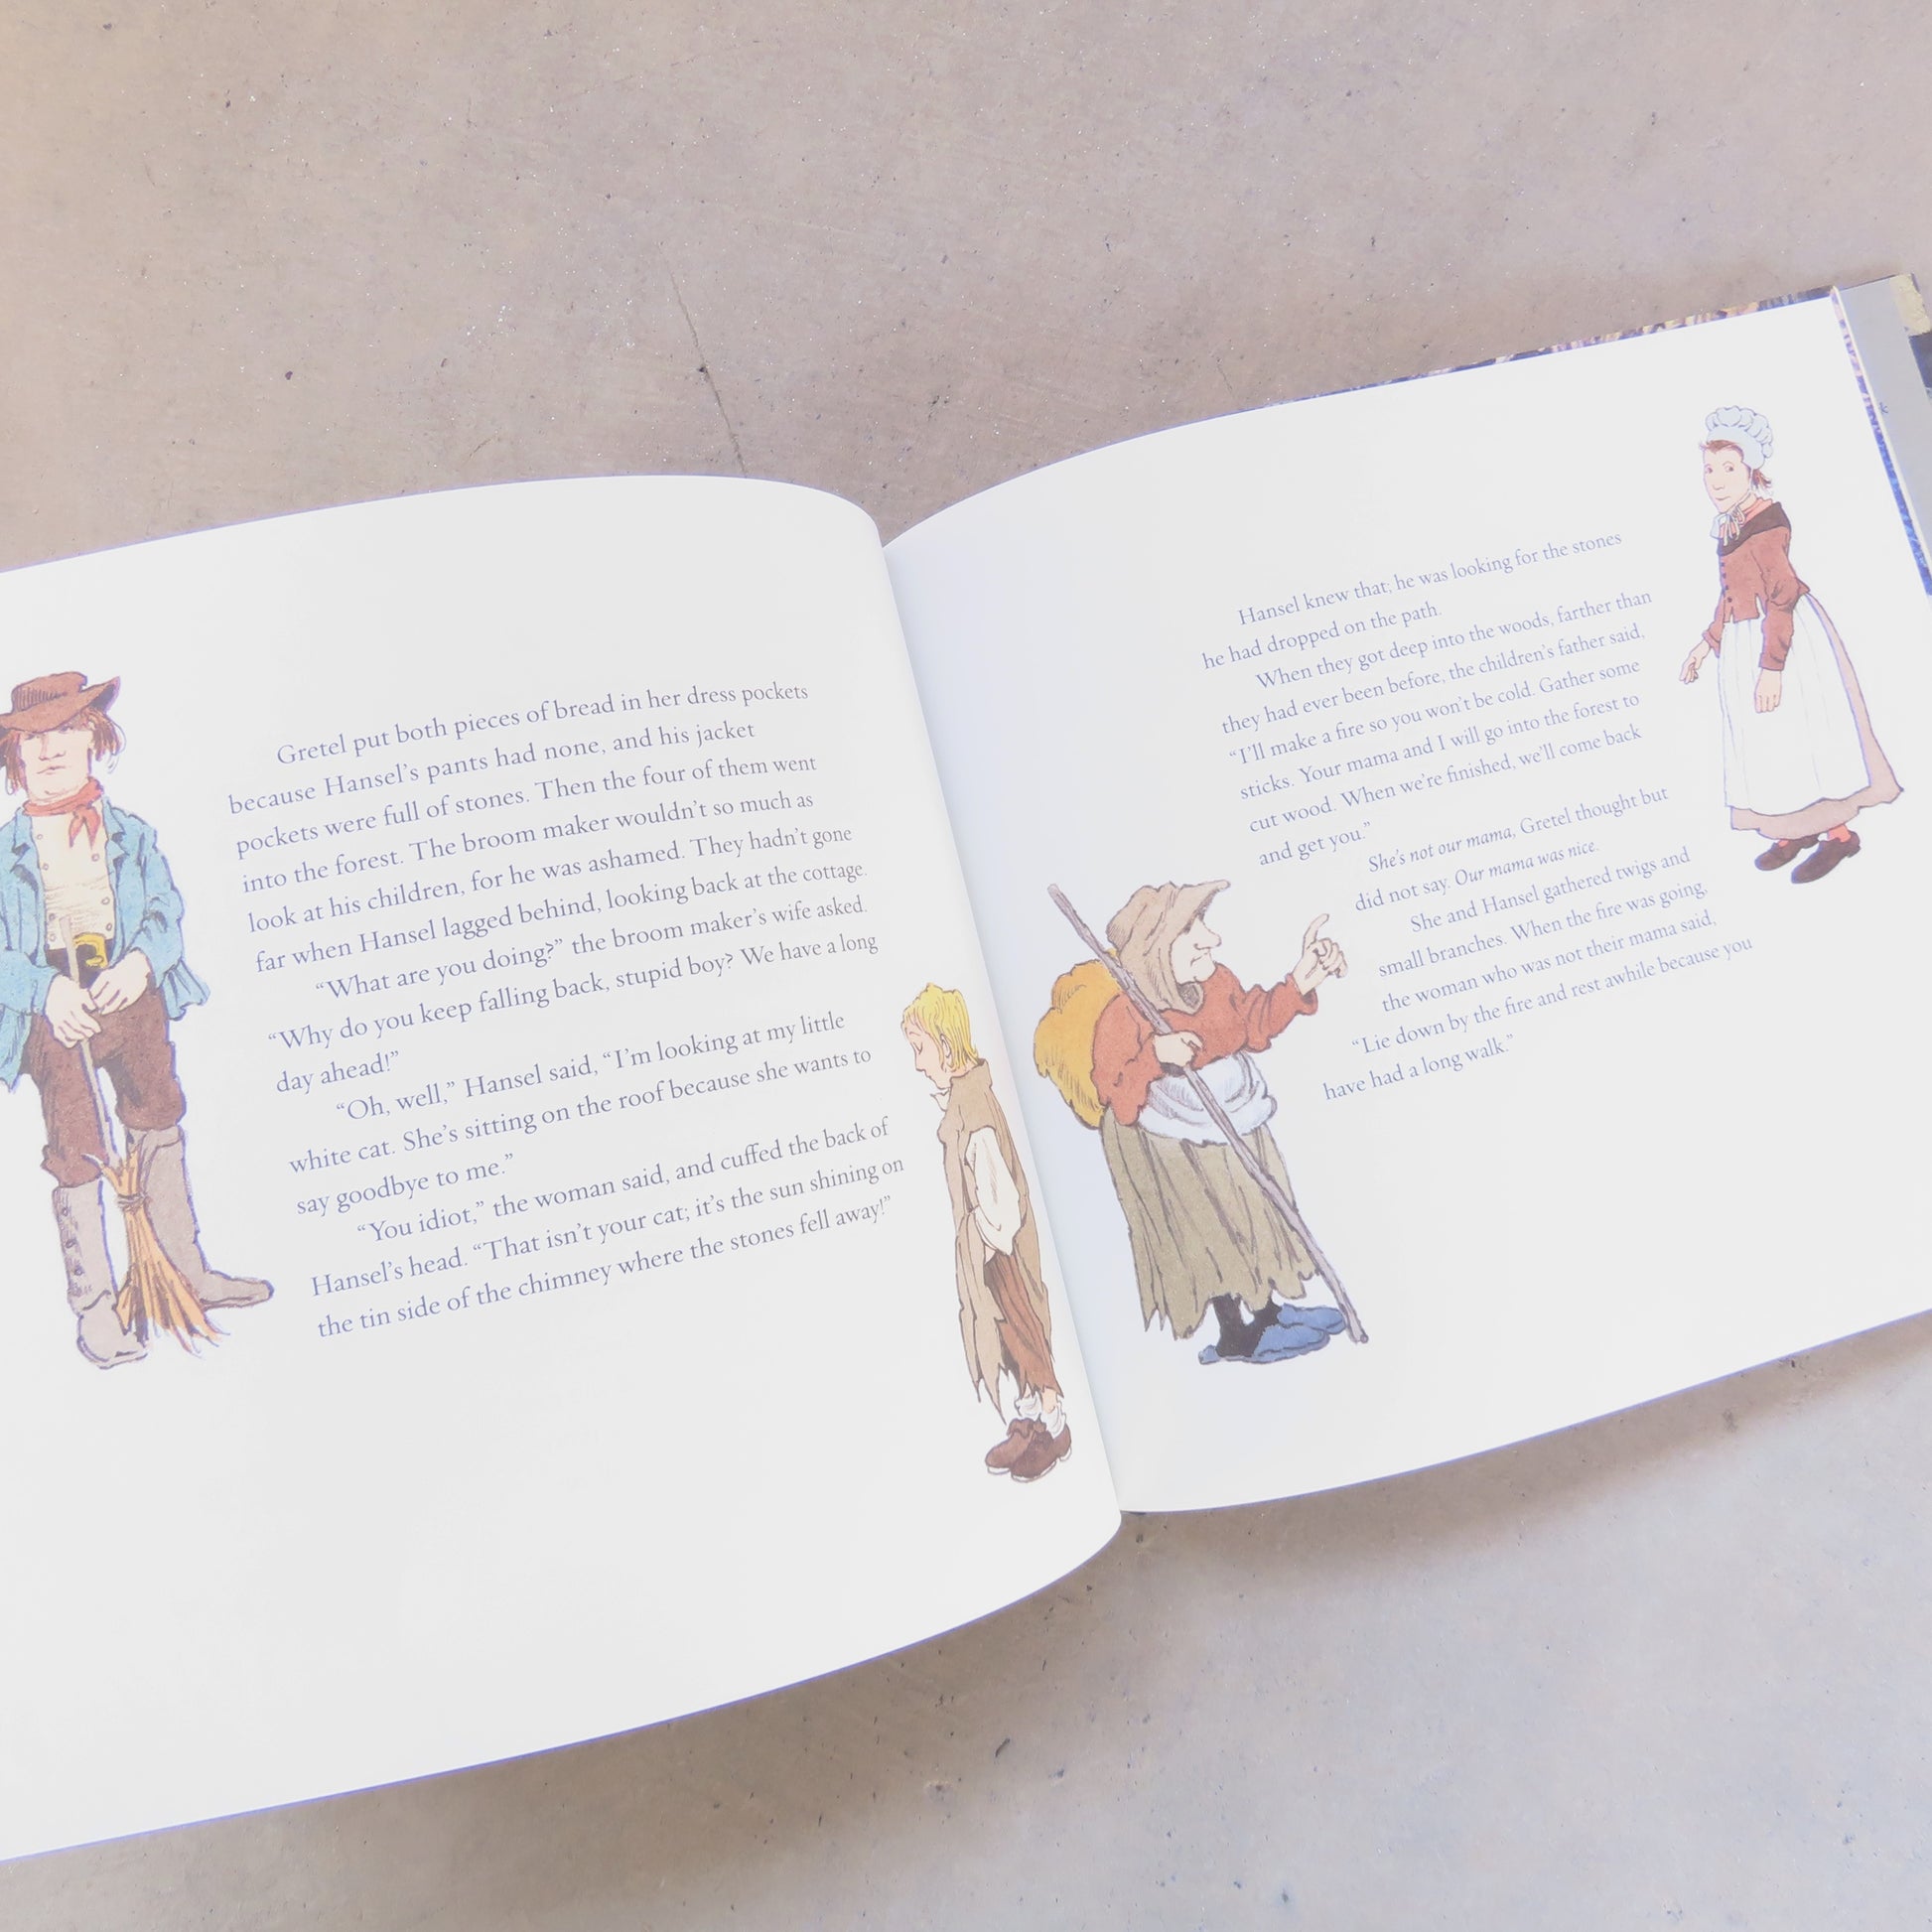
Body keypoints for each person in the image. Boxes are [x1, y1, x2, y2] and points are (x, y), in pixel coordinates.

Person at [0, 671, 272, 1368]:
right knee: (78, 1147)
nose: (50, 749)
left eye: (66, 730)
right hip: (54, 1013)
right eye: (31, 738)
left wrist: (142, 964)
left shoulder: (132, 834)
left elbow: (164, 913)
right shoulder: (4, 854)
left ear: (94, 738)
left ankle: (186, 1271)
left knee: (157, 1114)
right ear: (14, 755)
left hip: (128, 991)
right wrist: (44, 991)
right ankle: (96, 1308)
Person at [1048, 881, 1347, 1365]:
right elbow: (1115, 1097)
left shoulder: (1217, 984)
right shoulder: (1125, 1015)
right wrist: (1154, 1056)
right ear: (1156, 947)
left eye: (1204, 922)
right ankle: (1234, 1335)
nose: (1212, 938)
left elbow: (1252, 1023)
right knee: (1210, 1231)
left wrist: (1299, 984)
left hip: (1230, 1120)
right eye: (1191, 929)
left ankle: (1268, 1314)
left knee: (1253, 1217)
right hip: (1172, 1147)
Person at [1680, 405, 1900, 882]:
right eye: (1709, 470)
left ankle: (1838, 834)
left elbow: (1780, 594)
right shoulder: (1732, 525)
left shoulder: (1766, 525)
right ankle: (1793, 830)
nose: (1716, 481)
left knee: (1802, 734)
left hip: (1782, 641)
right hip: (1746, 637)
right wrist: (1705, 644)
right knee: (1768, 741)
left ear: (1752, 471)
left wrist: (1772, 667)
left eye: (1728, 468)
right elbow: (1731, 594)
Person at [902, 983, 1071, 1482]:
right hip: (990, 1251)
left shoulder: (973, 1112)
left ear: (945, 1045)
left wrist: (981, 1241)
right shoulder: (962, 1104)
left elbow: (1001, 1205)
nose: (917, 1063)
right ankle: (1030, 1421)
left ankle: (1053, 1428)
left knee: (1026, 1337)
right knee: (1008, 1339)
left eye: (920, 1048)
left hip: (1000, 1254)